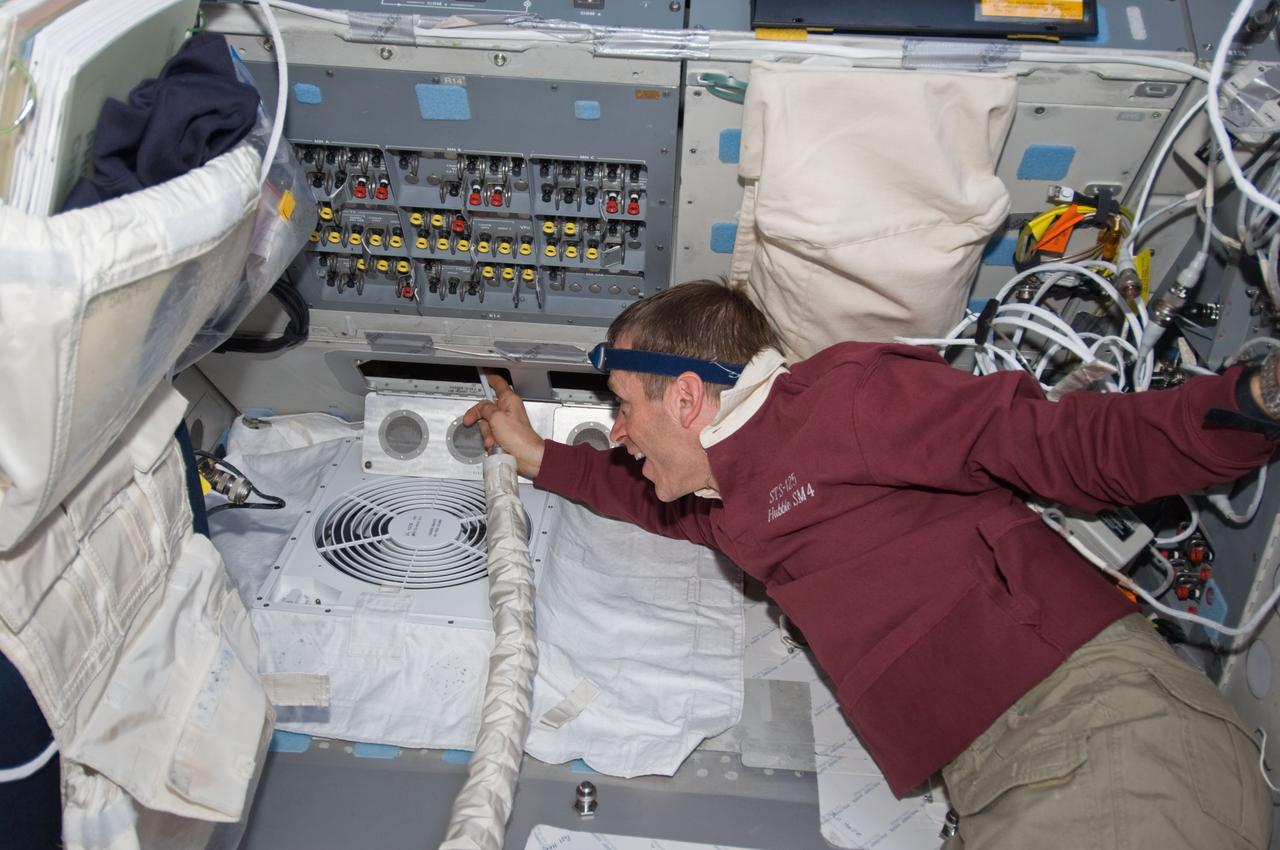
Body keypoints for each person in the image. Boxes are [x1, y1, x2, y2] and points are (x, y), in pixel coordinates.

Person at [464, 281, 1280, 849]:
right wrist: (537, 455)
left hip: (1094, 733)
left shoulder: (841, 399)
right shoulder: (735, 499)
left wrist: (1254, 403)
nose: (616, 433)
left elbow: (1068, 445)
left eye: (624, 406)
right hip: (1007, 778)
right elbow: (653, 504)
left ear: (686, 398)